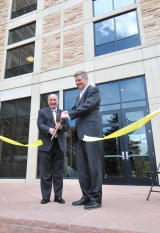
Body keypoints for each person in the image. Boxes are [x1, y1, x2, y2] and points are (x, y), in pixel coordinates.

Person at [61, 71, 102, 210]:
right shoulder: (79, 96)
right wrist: (63, 116)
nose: (77, 83)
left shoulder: (93, 91)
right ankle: (86, 196)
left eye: (79, 80)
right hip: (79, 135)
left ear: (86, 79)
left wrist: (69, 115)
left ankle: (96, 198)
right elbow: (74, 110)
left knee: (93, 166)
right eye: (76, 81)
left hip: (91, 134)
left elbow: (86, 107)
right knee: (83, 167)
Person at [37, 94, 69, 204]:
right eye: (51, 100)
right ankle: (45, 196)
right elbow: (40, 125)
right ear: (48, 102)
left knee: (58, 173)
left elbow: (67, 127)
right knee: (46, 172)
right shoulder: (42, 112)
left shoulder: (63, 113)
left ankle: (58, 196)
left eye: (54, 100)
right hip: (46, 145)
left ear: (58, 101)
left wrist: (60, 126)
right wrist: (49, 129)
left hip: (59, 146)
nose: (53, 102)